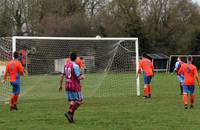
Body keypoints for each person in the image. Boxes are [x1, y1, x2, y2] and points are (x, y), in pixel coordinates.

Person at [59, 52, 85, 123]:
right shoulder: (75, 66)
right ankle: (69, 112)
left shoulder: (65, 65)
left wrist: (60, 86)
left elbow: (61, 76)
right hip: (75, 86)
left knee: (72, 101)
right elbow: (79, 77)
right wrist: (83, 76)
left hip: (68, 85)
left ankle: (71, 119)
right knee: (80, 101)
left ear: (70, 58)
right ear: (76, 58)